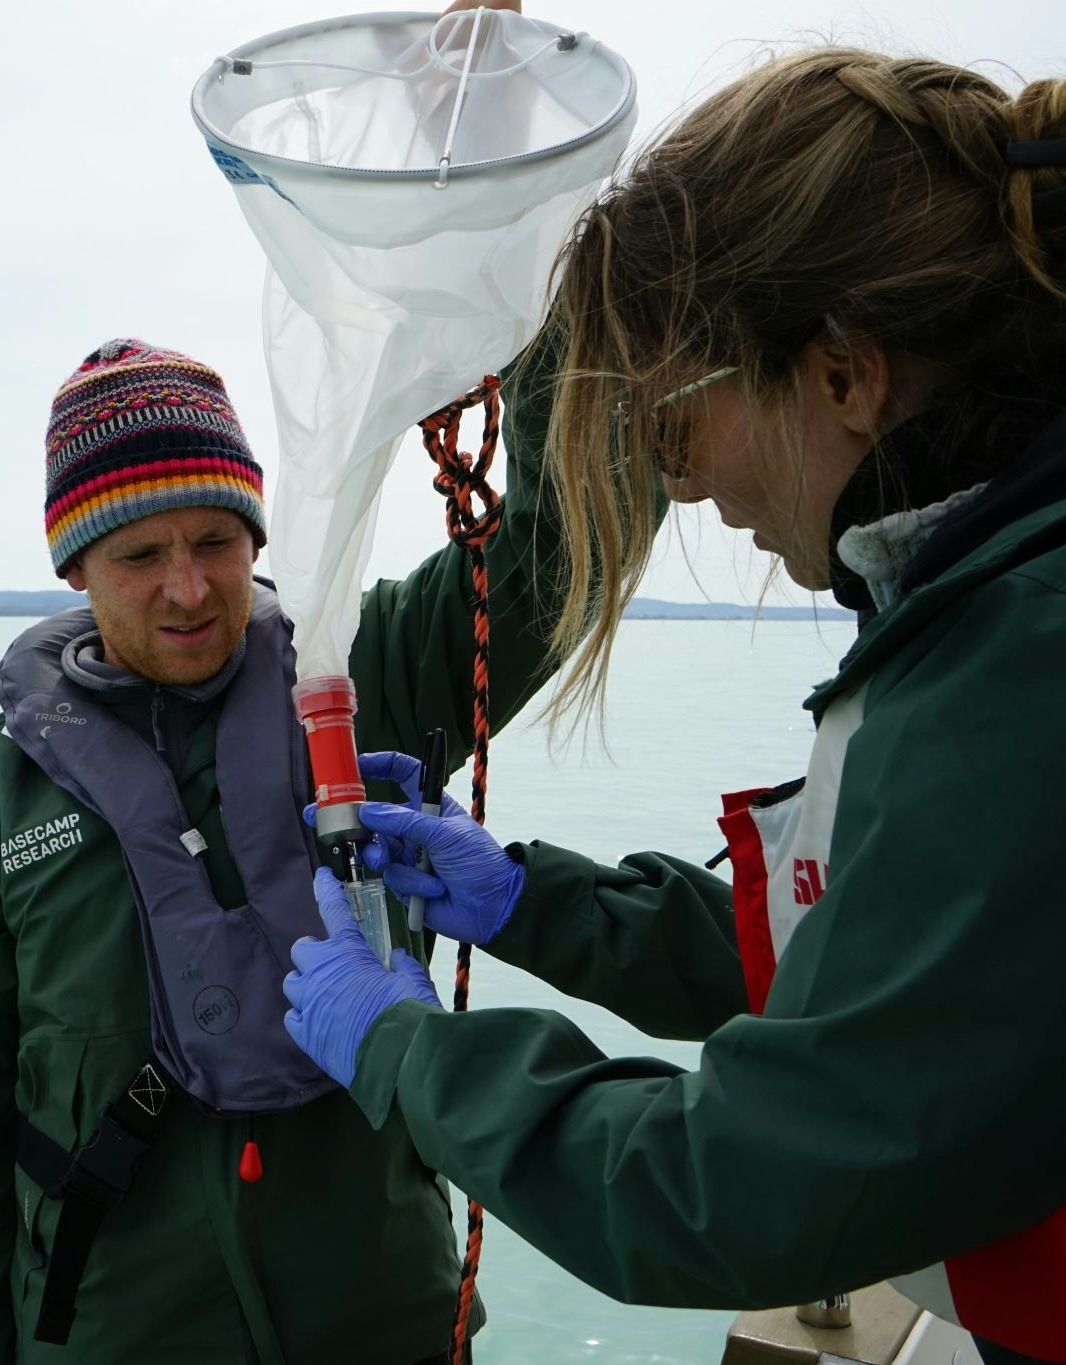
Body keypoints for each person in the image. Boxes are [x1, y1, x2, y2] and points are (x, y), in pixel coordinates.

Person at [279, 48, 1066, 1365]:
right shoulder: (993, 610)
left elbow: (749, 1187)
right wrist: (533, 901)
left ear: (842, 376)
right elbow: (902, 964)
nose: (684, 487)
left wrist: (409, 1052)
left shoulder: (1010, 668)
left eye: (675, 422)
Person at [0, 333, 571, 1364]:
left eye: (215, 540)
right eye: (137, 555)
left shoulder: (356, 674)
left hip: (380, 1314)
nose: (186, 589)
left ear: (258, 537)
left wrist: (529, 328)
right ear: (75, 564)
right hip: (115, 1333)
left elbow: (551, 557)